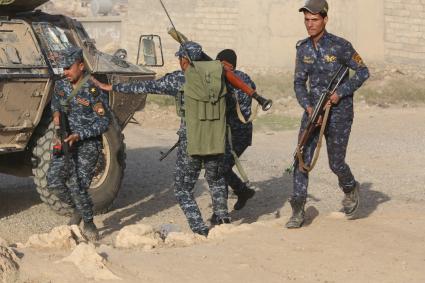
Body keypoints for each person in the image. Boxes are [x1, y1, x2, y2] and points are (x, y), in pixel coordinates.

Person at [92, 42, 231, 236]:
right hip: (216, 140)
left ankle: (199, 228)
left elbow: (148, 85)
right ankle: (223, 219)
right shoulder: (220, 77)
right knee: (215, 179)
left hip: (192, 142)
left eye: (180, 58)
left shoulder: (180, 79)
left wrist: (112, 86)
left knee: (183, 188)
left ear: (184, 60)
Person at [286, 0, 370, 228]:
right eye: (306, 20)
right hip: (313, 112)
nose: (310, 24)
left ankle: (351, 188)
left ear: (325, 19)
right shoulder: (302, 48)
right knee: (301, 157)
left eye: (314, 20)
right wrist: (308, 106)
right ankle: (297, 210)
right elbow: (298, 83)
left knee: (336, 163)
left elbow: (363, 72)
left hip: (339, 114)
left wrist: (340, 93)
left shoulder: (341, 46)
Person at [47, 46, 110, 241]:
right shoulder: (61, 85)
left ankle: (89, 223)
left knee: (78, 185)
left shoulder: (93, 89)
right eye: (63, 68)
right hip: (66, 141)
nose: (65, 72)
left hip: (88, 145)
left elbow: (104, 122)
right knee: (54, 181)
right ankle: (79, 209)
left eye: (68, 68)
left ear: (81, 66)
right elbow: (56, 105)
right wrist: (57, 119)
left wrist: (79, 135)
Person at [216, 49, 256, 211]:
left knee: (221, 168)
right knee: (221, 167)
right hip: (236, 133)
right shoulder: (244, 77)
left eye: (219, 63)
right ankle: (238, 194)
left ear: (226, 64)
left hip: (237, 133)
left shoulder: (230, 80)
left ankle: (239, 195)